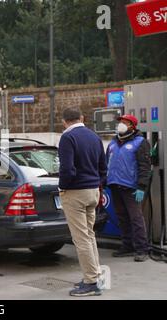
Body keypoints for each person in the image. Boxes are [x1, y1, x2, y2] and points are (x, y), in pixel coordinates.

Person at [58, 107, 107, 297]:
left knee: (81, 239)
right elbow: (103, 167)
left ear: (64, 121)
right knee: (89, 235)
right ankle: (94, 275)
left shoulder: (67, 138)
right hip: (93, 191)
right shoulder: (94, 137)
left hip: (75, 193)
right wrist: (97, 183)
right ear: (82, 118)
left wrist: (63, 187)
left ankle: (91, 282)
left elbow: (67, 169)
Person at [107, 114, 151, 262]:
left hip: (131, 187)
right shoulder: (113, 143)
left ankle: (142, 248)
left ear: (132, 125)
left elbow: (145, 167)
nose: (121, 124)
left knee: (136, 218)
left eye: (124, 122)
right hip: (114, 185)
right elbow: (108, 163)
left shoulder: (140, 142)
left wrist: (141, 186)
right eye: (120, 122)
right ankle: (127, 246)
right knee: (122, 218)